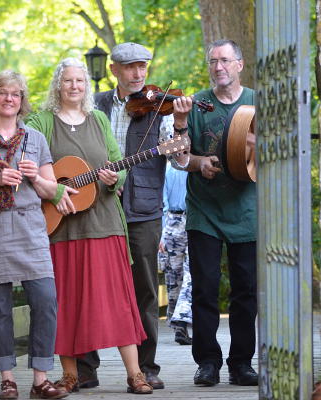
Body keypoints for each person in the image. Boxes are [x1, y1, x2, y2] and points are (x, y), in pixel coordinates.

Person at [26, 57, 153, 395]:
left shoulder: (98, 119)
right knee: (65, 303)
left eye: (80, 81)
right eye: (68, 81)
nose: (74, 86)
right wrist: (53, 190)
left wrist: (115, 176)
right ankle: (70, 375)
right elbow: (26, 160)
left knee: (117, 301)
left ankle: (134, 373)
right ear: (58, 85)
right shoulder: (42, 122)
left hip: (105, 223)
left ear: (87, 86)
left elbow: (118, 163)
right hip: (62, 228)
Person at [0, 70, 72, 400]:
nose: (9, 99)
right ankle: (7, 379)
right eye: (3, 92)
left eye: (16, 94)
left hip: (30, 229)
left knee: (45, 301)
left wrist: (36, 179)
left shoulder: (35, 139)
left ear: (22, 101)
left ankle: (41, 379)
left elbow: (52, 191)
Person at [86, 42, 178, 390]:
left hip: (144, 209)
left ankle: (146, 367)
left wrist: (180, 121)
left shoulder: (162, 108)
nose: (138, 74)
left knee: (145, 290)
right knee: (91, 284)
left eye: (142, 66)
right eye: (130, 67)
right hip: (97, 203)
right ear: (114, 71)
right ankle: (85, 367)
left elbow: (179, 159)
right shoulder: (93, 105)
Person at [172, 39, 257, 387]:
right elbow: (179, 158)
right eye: (212, 62)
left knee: (246, 290)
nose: (218, 67)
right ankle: (207, 361)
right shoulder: (196, 104)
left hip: (247, 210)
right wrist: (198, 161)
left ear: (239, 64)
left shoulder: (258, 102)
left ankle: (241, 364)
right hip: (204, 211)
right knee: (205, 289)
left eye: (224, 60)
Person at [158, 161, 192, 345]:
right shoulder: (189, 168)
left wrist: (161, 233)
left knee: (178, 275)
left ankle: (180, 322)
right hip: (184, 220)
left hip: (172, 222)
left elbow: (161, 202)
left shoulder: (166, 169)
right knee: (178, 276)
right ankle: (181, 324)